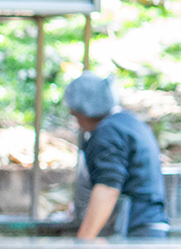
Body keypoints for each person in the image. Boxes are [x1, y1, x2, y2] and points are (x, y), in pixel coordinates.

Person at [64, 73, 170, 239]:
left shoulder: (109, 131)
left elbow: (108, 188)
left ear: (85, 111)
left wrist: (83, 242)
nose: (79, 123)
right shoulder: (129, 122)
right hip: (151, 225)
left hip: (135, 230)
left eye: (76, 115)